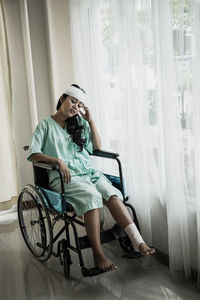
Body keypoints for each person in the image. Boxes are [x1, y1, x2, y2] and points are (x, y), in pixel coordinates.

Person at [28, 84, 156, 272]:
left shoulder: (78, 124)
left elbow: (96, 146)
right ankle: (98, 254)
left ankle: (138, 241)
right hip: (66, 178)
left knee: (111, 193)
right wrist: (57, 161)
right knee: (92, 197)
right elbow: (33, 154)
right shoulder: (45, 125)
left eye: (79, 104)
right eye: (73, 101)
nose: (75, 107)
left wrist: (90, 121)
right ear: (62, 98)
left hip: (89, 173)